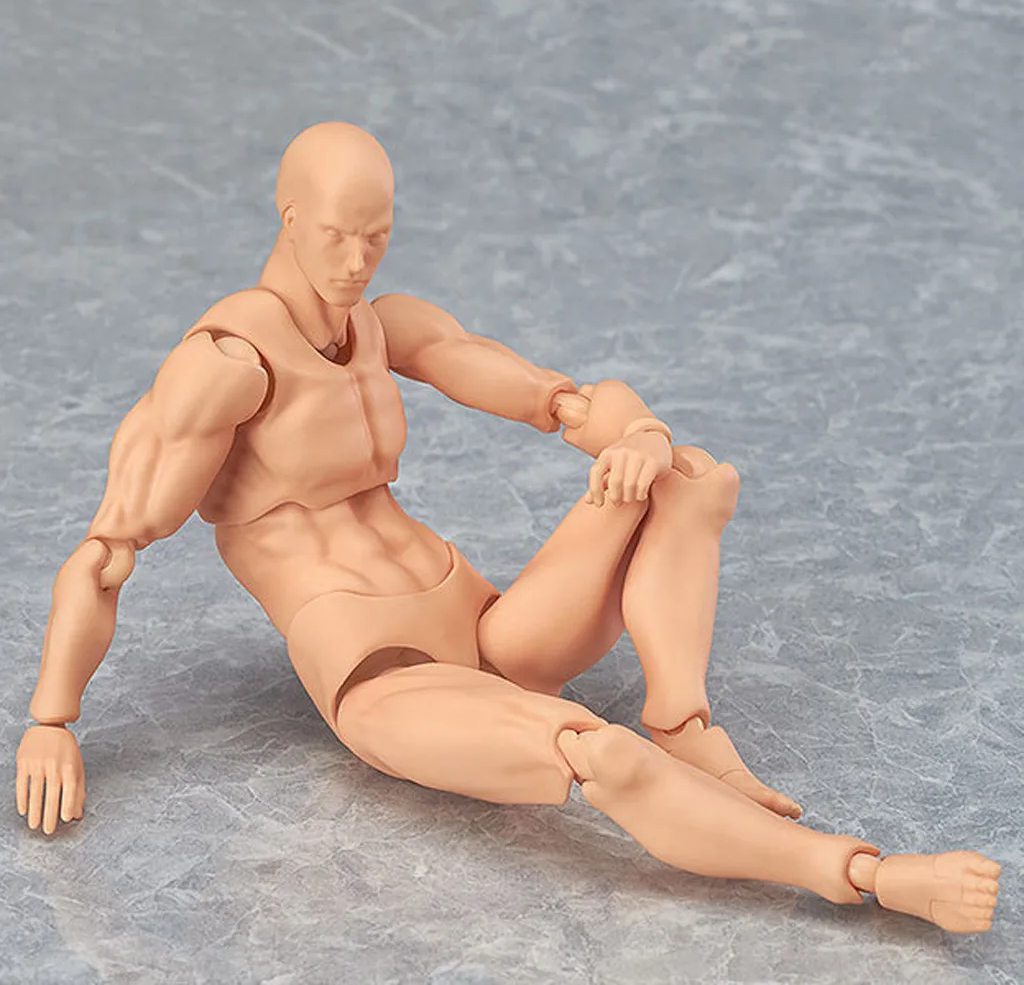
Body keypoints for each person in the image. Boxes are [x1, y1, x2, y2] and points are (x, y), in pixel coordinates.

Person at [15, 123, 1000, 933]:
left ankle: (683, 720)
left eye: (376, 238)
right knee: (599, 754)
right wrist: (52, 721)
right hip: (383, 673)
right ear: (290, 218)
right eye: (337, 237)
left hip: (486, 628)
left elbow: (566, 401)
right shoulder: (226, 365)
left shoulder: (387, 326)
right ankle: (865, 874)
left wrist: (639, 438)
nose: (355, 263)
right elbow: (105, 553)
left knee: (693, 480)